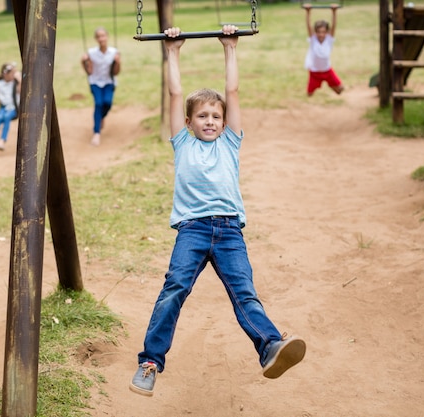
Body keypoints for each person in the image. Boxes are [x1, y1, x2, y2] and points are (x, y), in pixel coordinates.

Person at [129, 25, 306, 397]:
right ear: (190, 123)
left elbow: (233, 92)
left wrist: (230, 47)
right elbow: (175, 93)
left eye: (215, 115)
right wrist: (172, 51)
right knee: (174, 289)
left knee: (245, 293)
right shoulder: (183, 144)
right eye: (202, 116)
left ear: (224, 122)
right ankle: (149, 362)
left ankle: (270, 347)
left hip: (229, 232)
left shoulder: (230, 144)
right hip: (192, 230)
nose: (209, 120)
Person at [81, 27, 121, 146]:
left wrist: (118, 62)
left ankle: (101, 117)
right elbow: (89, 72)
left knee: (107, 103)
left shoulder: (114, 52)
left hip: (109, 81)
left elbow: (116, 72)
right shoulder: (91, 53)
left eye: (103, 36)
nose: (101, 38)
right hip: (95, 82)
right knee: (99, 103)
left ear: (107, 36)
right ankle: (96, 133)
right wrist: (84, 62)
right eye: (98, 36)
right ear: (96, 39)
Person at [303, 3, 344, 96]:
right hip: (315, 72)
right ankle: (322, 84)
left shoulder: (329, 40)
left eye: (323, 32)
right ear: (315, 32)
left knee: (340, 90)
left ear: (327, 32)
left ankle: (331, 85)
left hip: (327, 71)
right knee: (309, 94)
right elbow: (308, 26)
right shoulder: (313, 39)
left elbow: (334, 26)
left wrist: (334, 12)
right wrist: (308, 12)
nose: (321, 34)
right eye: (318, 32)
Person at [0, 62, 21, 151]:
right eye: (12, 73)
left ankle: (2, 140)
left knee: (6, 117)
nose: (14, 75)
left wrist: (20, 80)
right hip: (4, 107)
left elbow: (21, 91)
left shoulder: (15, 83)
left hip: (14, 109)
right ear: (5, 74)